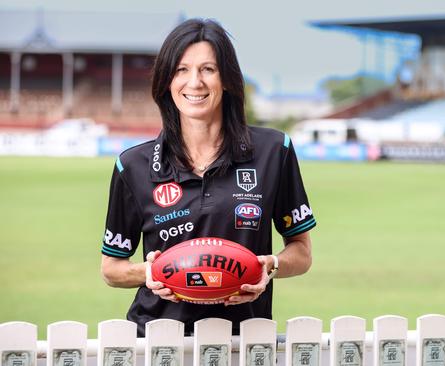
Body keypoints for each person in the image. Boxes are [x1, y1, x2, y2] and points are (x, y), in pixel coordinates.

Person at [100, 18, 315, 336]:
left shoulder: (274, 151)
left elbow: (302, 251)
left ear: (227, 79)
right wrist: (150, 272)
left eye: (208, 69)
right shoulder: (132, 165)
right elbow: (111, 269)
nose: (195, 82)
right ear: (167, 82)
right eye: (181, 70)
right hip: (158, 338)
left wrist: (270, 266)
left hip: (243, 340)